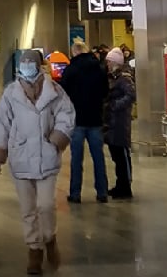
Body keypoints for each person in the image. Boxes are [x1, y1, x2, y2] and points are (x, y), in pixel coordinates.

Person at [0, 49, 75, 275]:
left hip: (47, 155)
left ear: (38, 65)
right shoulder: (11, 93)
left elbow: (66, 115)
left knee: (46, 205)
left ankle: (50, 238)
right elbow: (2, 123)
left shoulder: (54, 91)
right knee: (27, 208)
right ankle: (34, 249)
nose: (27, 65)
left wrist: (57, 138)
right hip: (21, 157)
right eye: (24, 62)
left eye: (30, 62)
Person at [56, 39, 109, 203]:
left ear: (74, 52)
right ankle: (102, 192)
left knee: (76, 158)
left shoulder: (71, 69)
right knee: (98, 157)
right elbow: (105, 92)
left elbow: (62, 93)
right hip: (95, 119)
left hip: (77, 120)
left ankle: (75, 193)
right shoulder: (99, 68)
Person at [102, 48, 135, 200]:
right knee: (116, 155)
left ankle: (125, 185)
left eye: (109, 61)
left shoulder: (124, 78)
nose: (107, 64)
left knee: (122, 155)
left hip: (120, 122)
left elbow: (131, 95)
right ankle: (120, 184)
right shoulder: (113, 78)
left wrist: (115, 105)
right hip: (112, 123)